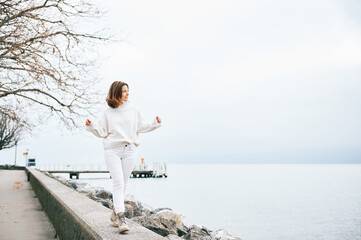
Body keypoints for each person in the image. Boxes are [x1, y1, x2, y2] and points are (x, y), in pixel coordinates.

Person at [85, 81, 162, 233]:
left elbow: (142, 126)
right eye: (124, 91)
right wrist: (92, 125)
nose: (127, 94)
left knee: (124, 184)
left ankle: (115, 212)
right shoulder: (108, 113)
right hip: (112, 151)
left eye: (128, 91)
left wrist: (154, 123)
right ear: (116, 92)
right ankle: (121, 218)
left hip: (130, 150)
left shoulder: (133, 109)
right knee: (118, 183)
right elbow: (101, 131)